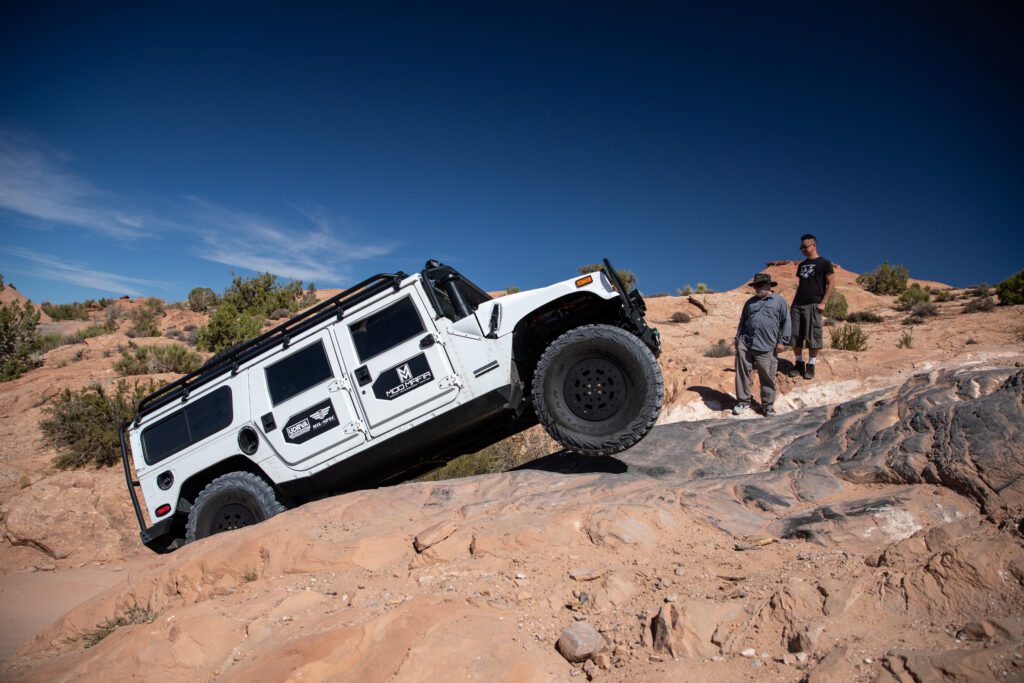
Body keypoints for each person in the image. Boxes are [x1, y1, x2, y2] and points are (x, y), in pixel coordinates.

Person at [733, 272, 791, 417]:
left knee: (767, 376)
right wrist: (738, 339)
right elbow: (743, 321)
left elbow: (786, 322)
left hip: (768, 345)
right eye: (755, 286)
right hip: (746, 343)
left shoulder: (779, 301)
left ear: (768, 285)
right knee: (742, 373)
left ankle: (768, 406)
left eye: (760, 285)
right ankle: (743, 401)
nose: (757, 288)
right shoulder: (750, 302)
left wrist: (782, 341)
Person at [788, 234, 834, 380]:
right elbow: (801, 285)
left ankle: (811, 364)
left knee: (813, 335)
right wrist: (793, 303)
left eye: (805, 247)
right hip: (798, 304)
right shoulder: (801, 265)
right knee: (795, 335)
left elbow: (831, 283)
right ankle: (799, 363)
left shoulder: (824, 263)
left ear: (813, 245)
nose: (802, 249)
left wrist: (823, 302)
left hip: (813, 303)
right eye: (801, 247)